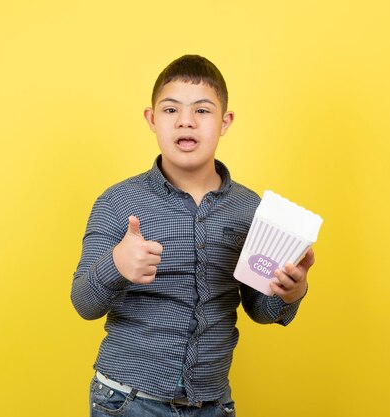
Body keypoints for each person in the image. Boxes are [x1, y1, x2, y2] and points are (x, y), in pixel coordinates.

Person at [71, 54, 315, 416]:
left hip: (213, 403)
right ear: (152, 120)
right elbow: (83, 303)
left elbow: (259, 310)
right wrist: (116, 265)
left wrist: (292, 292)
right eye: (171, 110)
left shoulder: (250, 210)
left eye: (202, 111)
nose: (186, 121)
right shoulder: (117, 202)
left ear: (225, 122)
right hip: (127, 402)